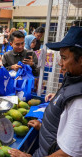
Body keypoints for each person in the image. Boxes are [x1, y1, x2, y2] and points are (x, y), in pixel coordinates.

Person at [9, 26, 82, 157]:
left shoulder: (79, 101)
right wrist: (44, 127)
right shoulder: (73, 80)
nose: (60, 63)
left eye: (64, 58)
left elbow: (67, 153)